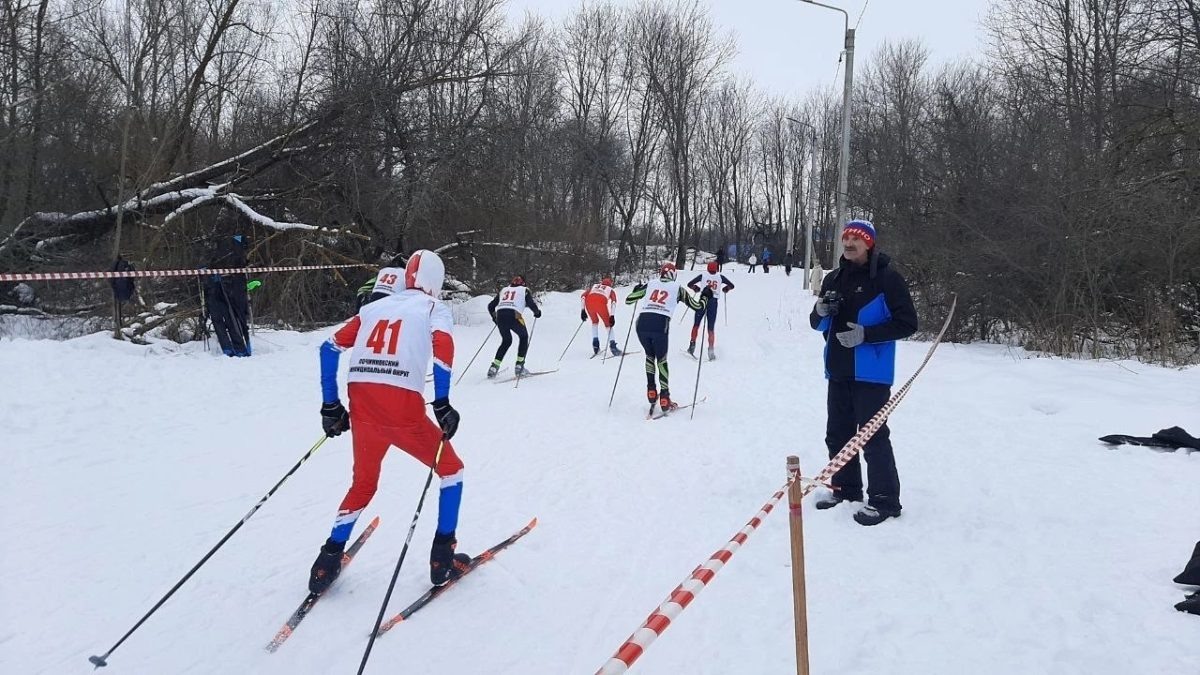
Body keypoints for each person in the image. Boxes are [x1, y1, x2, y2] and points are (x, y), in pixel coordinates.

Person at [311, 249, 470, 592]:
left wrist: (330, 406)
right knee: (451, 470)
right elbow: (442, 347)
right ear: (436, 281)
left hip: (363, 405)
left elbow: (327, 348)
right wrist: (441, 402)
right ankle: (443, 556)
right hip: (403, 407)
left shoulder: (372, 308)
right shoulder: (433, 308)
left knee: (363, 484)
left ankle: (326, 561)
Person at [809, 220, 918, 526]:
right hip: (838, 369)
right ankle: (846, 489)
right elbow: (815, 324)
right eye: (845, 237)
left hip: (872, 373)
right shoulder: (834, 278)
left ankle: (885, 501)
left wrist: (867, 335)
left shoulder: (887, 279)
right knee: (838, 435)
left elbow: (908, 323)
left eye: (856, 238)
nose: (849, 242)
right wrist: (821, 311)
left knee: (872, 437)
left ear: (869, 243)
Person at [625, 262, 710, 414]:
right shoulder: (677, 288)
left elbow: (629, 300)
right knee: (662, 360)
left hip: (642, 324)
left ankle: (651, 391)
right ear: (673, 274)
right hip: (660, 324)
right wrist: (705, 297)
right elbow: (698, 307)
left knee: (649, 357)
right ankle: (665, 397)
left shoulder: (651, 283)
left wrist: (636, 290)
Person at [204, 234, 251, 357]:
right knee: (226, 318)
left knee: (232, 318)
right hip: (221, 288)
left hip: (228, 288)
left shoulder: (229, 252)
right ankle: (232, 348)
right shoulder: (224, 252)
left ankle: (239, 348)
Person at [486, 275, 542, 377]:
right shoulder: (524, 290)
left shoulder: (504, 290)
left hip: (501, 315)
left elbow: (490, 306)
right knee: (524, 337)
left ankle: (494, 367)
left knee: (506, 341)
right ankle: (519, 367)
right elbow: (530, 303)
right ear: (523, 283)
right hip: (515, 315)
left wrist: (495, 318)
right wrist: (537, 312)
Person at [685, 262, 734, 360]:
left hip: (703, 300)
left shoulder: (703, 275)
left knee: (696, 324)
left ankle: (692, 346)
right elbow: (732, 285)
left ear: (707, 268)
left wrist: (696, 288)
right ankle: (711, 351)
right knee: (710, 328)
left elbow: (689, 284)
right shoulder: (720, 277)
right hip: (713, 302)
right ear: (717, 268)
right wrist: (726, 289)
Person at [581, 277, 621, 357]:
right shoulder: (610, 290)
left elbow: (583, 296)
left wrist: (583, 310)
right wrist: (612, 316)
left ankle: (595, 345)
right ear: (610, 284)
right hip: (601, 304)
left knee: (595, 322)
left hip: (589, 303)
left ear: (602, 283)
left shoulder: (594, 286)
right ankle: (613, 347)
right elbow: (613, 302)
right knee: (608, 325)